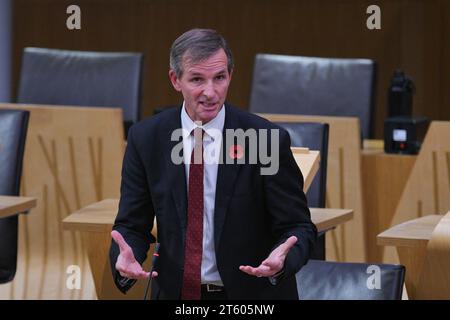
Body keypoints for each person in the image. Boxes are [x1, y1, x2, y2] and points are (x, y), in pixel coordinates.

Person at [109, 28, 317, 300]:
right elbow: (132, 226)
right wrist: (126, 262)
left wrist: (284, 260)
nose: (211, 92)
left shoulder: (263, 140)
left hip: (251, 296)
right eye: (197, 79)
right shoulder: (147, 139)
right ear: (175, 80)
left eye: (219, 77)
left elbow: (298, 227)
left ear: (230, 75)